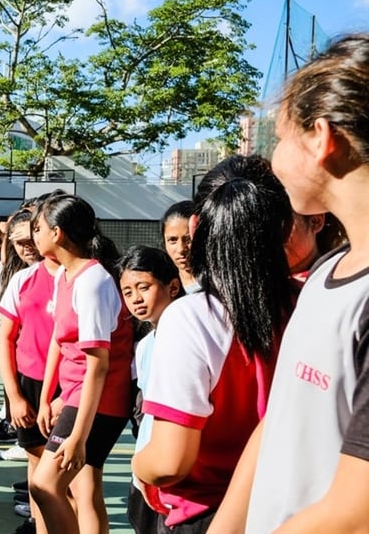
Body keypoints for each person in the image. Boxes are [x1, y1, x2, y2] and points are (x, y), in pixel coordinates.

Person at [210, 34, 369, 533]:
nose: (273, 160)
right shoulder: (326, 272)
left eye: (279, 139)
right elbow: (277, 422)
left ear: (321, 138)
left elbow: (355, 510)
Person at [133, 155, 295, 532]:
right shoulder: (309, 303)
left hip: (206, 512)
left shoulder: (193, 317)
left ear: (196, 225)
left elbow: (170, 461)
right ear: (285, 226)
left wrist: (140, 465)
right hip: (289, 507)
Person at [30, 194, 134, 534]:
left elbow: (98, 365)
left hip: (100, 401)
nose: (36, 234)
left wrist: (78, 435)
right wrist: (47, 397)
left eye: (40, 227)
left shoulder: (93, 281)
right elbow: (60, 343)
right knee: (81, 488)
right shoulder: (64, 275)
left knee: (45, 485)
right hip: (77, 394)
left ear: (57, 233)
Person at [0, 205, 60, 534]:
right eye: (18, 242)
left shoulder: (75, 276)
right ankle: (38, 523)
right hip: (29, 383)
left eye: (31, 236)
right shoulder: (20, 280)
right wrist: (15, 397)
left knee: (73, 475)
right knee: (36, 461)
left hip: (66, 388)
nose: (27, 246)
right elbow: (4, 339)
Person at [113, 246, 182, 534]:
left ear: (173, 287)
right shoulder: (144, 346)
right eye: (128, 292)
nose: (136, 299)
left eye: (144, 287)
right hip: (145, 465)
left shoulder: (184, 337)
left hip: (171, 467)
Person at [160, 201, 198, 293]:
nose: (181, 249)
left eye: (188, 240)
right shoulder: (161, 287)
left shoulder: (221, 285)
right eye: (172, 240)